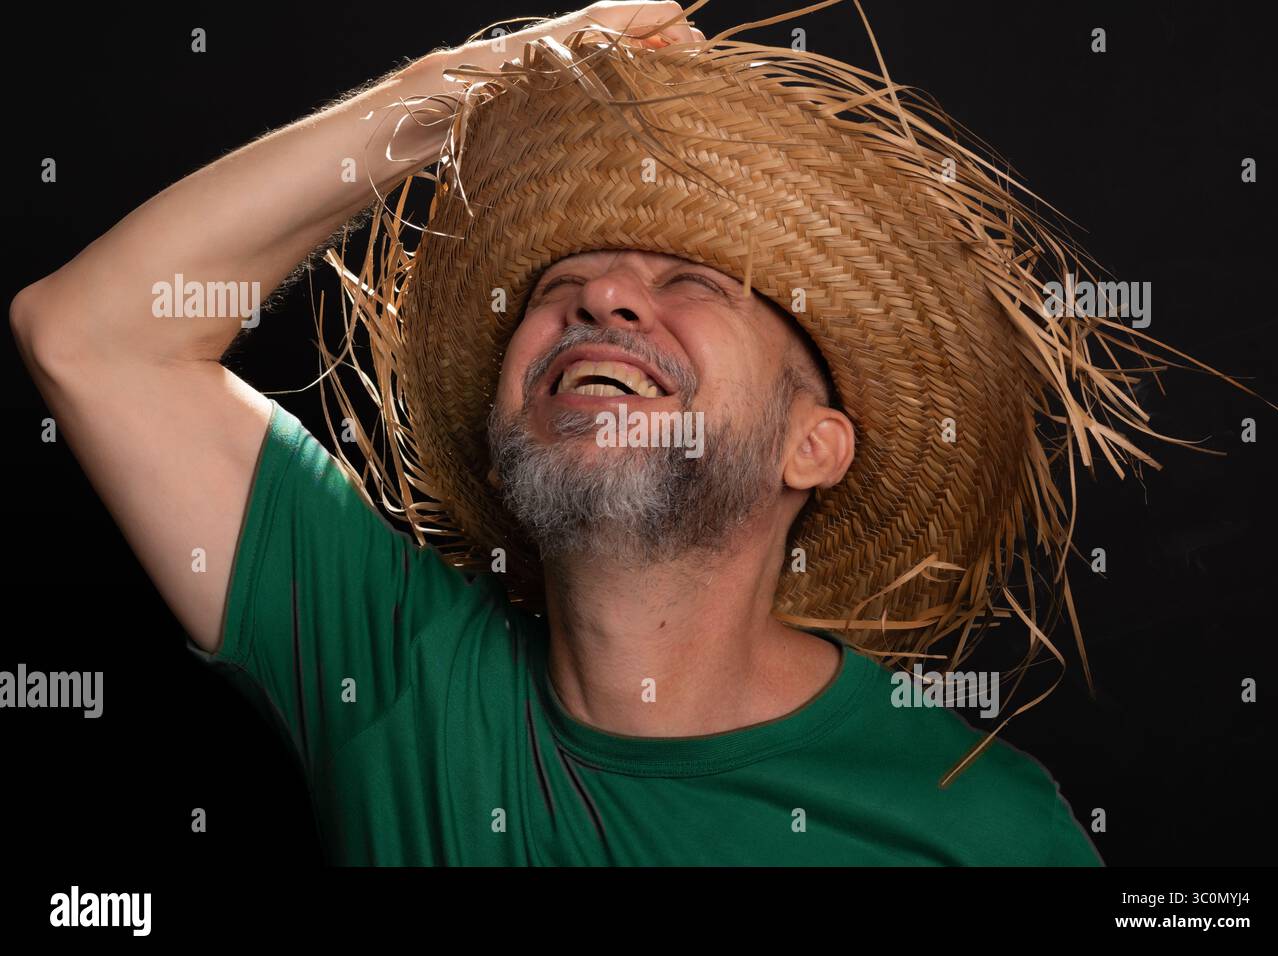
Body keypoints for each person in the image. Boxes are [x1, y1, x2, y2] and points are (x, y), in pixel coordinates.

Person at [9, 0, 1130, 865]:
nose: (600, 302)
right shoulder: (395, 671)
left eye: (692, 279)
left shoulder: (974, 823)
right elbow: (92, 334)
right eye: (563, 283)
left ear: (813, 445)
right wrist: (473, 88)